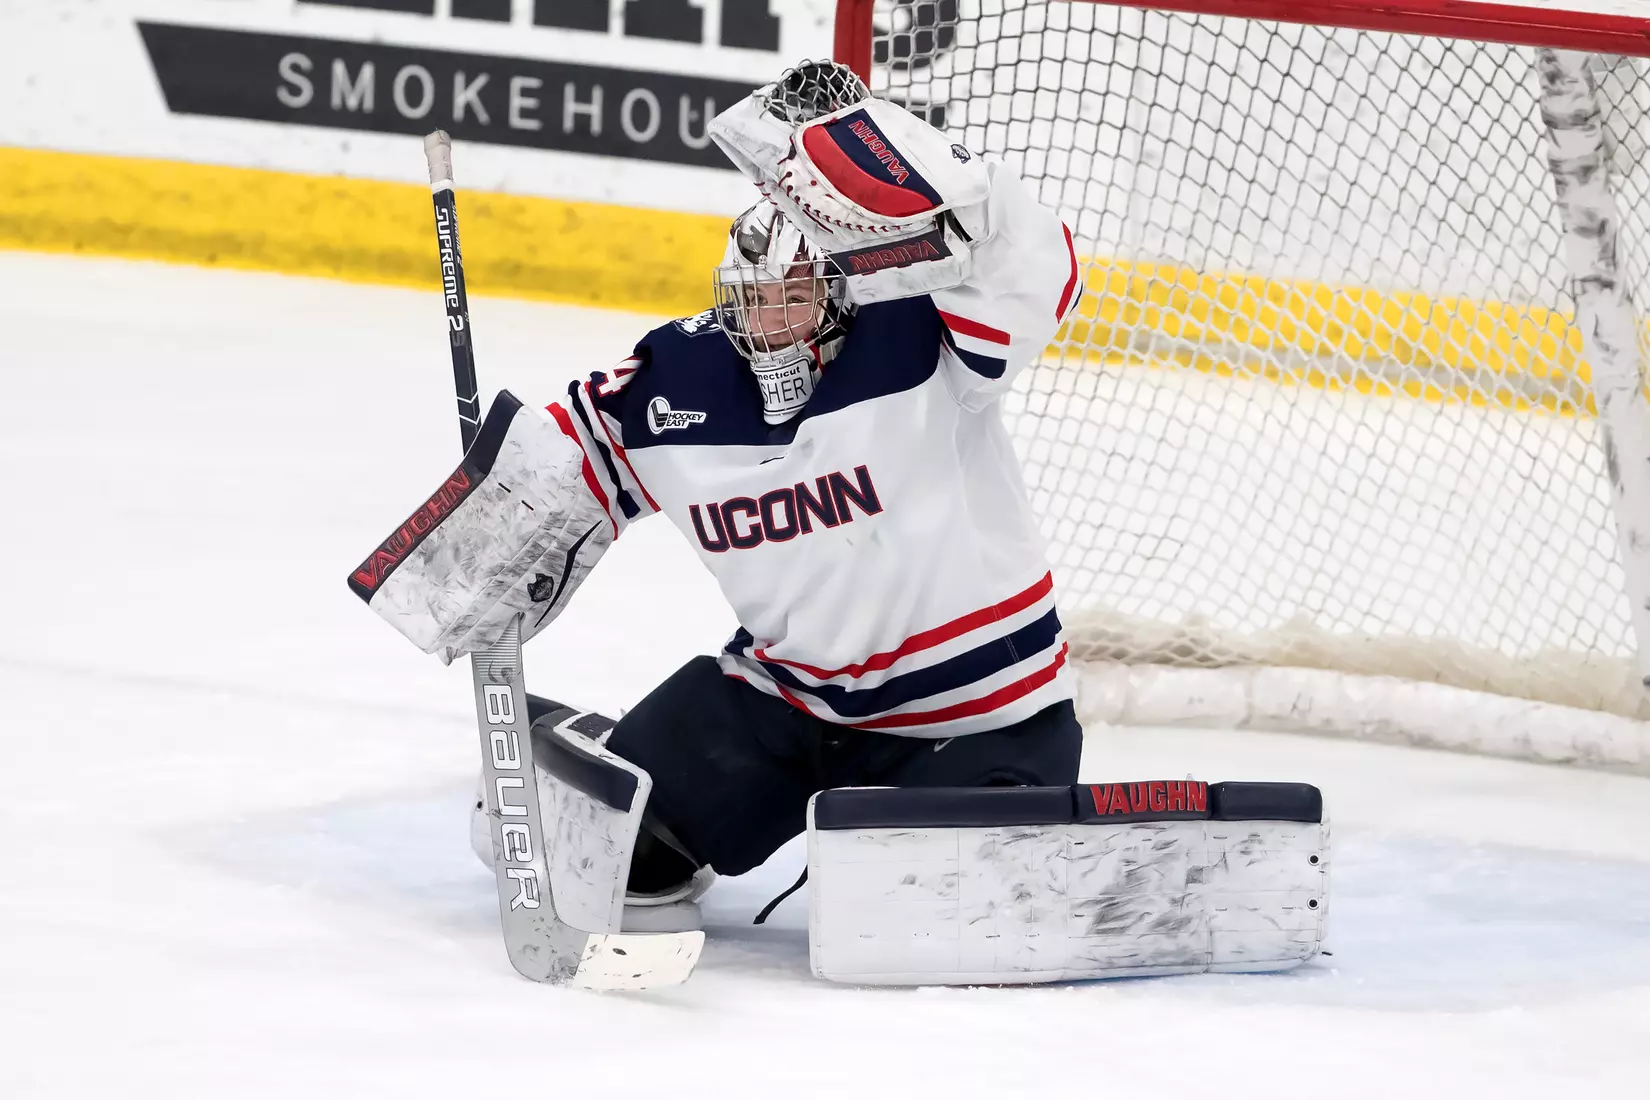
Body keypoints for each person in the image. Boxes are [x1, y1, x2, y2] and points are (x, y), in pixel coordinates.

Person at [357, 61, 1088, 932]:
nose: (772, 320)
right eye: (757, 299)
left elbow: (1026, 266)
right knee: (619, 851)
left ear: (841, 296)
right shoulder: (679, 381)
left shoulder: (922, 337)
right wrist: (483, 544)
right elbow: (575, 451)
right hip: (786, 703)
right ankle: (582, 741)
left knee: (938, 904)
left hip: (979, 718)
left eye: (795, 298)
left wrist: (896, 160)